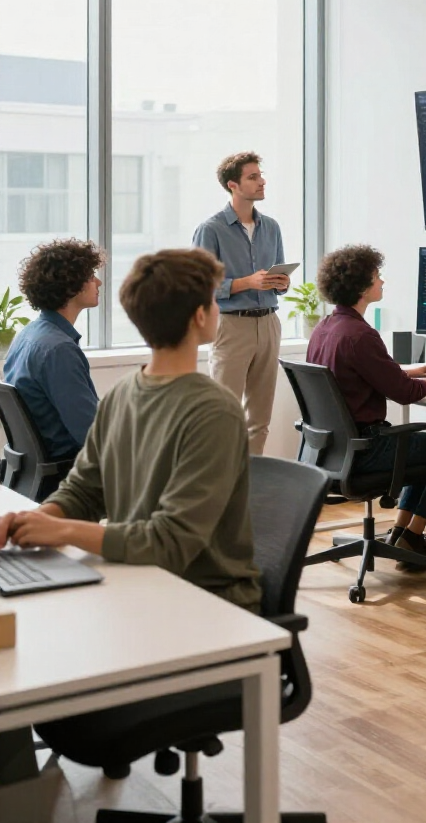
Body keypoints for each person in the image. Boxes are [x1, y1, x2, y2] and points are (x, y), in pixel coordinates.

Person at [0, 248, 262, 614]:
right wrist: (41, 519)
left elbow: (172, 543)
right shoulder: (126, 395)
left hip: (208, 599)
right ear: (201, 315)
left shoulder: (209, 410)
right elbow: (86, 490)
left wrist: (62, 531)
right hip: (144, 580)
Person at [307, 245, 426, 568]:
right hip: (367, 450)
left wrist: (407, 370)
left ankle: (402, 532)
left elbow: (355, 374)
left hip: (333, 450)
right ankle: (411, 535)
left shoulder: (326, 328)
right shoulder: (361, 335)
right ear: (363, 288)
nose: (382, 282)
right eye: (378, 277)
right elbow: (406, 393)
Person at [192, 152, 290, 455]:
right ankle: (220, 491)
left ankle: (252, 489)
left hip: (269, 323)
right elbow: (200, 284)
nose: (262, 181)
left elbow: (279, 273)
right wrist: (247, 282)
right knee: (224, 417)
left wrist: (281, 283)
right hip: (232, 326)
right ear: (233, 185)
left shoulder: (271, 227)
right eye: (253, 177)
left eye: (260, 175)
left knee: (259, 419)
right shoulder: (211, 230)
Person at [3, 239, 104, 469]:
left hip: (34, 474)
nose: (98, 282)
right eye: (90, 277)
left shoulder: (28, 335)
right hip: (69, 475)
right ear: (71, 285)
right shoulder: (59, 350)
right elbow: (93, 437)